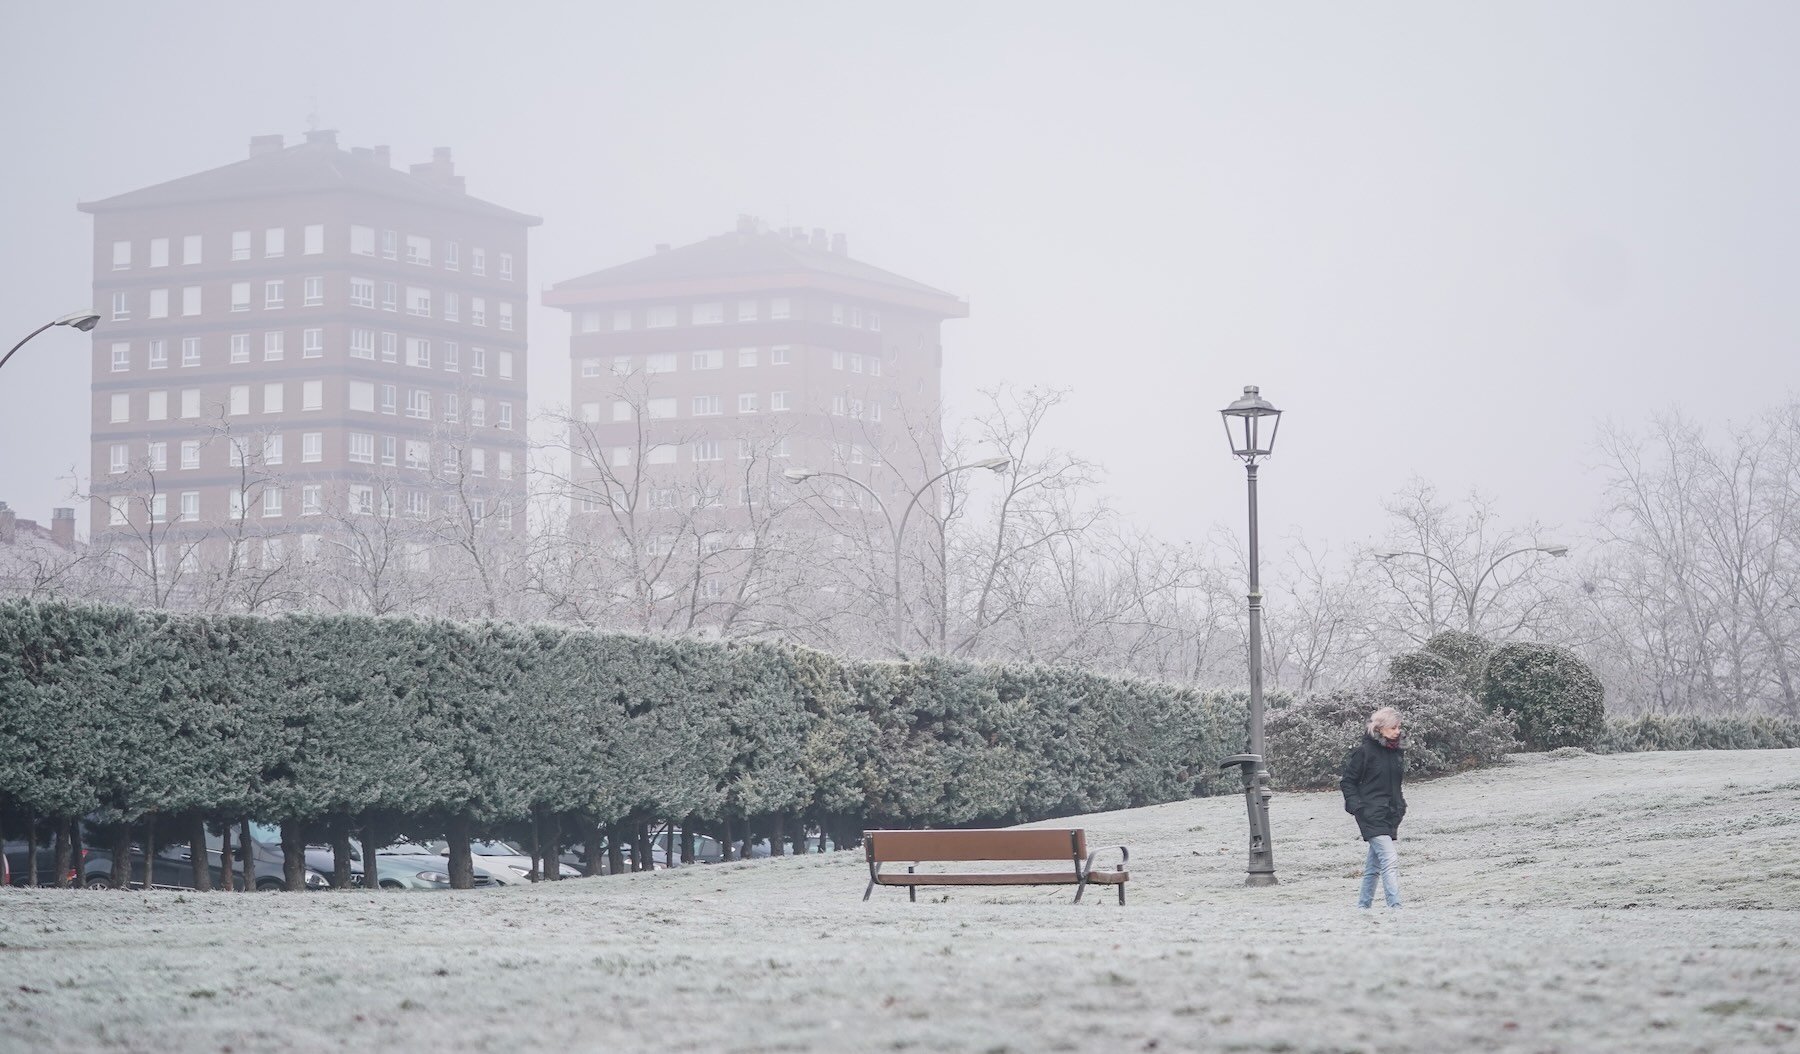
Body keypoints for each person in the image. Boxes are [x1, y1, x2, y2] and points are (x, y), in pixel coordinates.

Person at [1340, 705, 1406, 910]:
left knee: (1374, 866)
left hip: (1390, 814)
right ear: (1380, 729)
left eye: (1399, 727)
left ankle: (1363, 907)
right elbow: (1347, 782)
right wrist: (1357, 807)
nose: (1398, 731)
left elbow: (1395, 785)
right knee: (1389, 859)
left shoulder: (1396, 753)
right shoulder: (1364, 752)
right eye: (1393, 727)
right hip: (1370, 814)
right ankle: (1396, 908)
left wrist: (1401, 806)